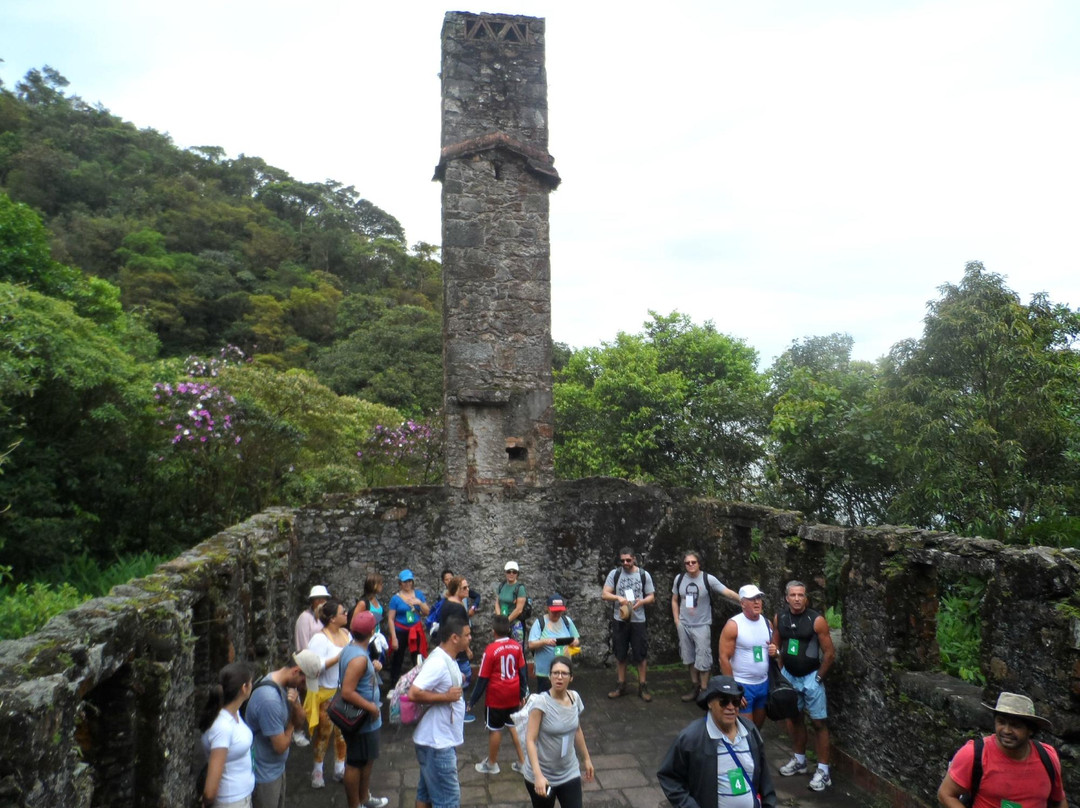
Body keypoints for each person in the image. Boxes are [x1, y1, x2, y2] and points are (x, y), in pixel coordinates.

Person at [657, 675, 778, 808]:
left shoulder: (749, 730)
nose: (731, 707)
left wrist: (768, 803)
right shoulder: (691, 737)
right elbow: (669, 776)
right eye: (724, 702)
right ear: (710, 703)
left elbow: (764, 777)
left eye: (735, 702)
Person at [937, 692, 1067, 808]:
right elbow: (945, 794)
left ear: (1030, 730)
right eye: (1001, 722)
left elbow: (1059, 801)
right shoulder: (974, 754)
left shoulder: (1047, 757)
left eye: (1015, 725)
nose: (1007, 730)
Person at [769, 580, 835, 792]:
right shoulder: (780, 618)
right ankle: (799, 760)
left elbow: (829, 653)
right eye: (793, 595)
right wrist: (781, 672)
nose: (797, 599)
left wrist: (818, 678)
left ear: (806, 598)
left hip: (811, 677)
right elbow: (776, 645)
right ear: (786, 598)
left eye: (801, 595)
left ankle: (823, 771)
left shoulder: (816, 620)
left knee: (818, 723)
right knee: (794, 718)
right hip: (790, 676)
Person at [408, 615, 472, 808]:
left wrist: (458, 678)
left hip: (434, 741)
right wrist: (446, 697)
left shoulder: (446, 658)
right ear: (454, 638)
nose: (470, 638)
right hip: (437, 745)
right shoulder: (438, 662)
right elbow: (414, 692)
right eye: (467, 635)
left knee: (425, 794)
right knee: (448, 801)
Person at [521, 656, 595, 808]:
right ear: (549, 676)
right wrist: (538, 775)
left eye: (564, 673)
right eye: (555, 673)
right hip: (543, 774)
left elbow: (577, 729)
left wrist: (586, 758)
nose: (559, 677)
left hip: (569, 771)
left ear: (571, 677)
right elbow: (530, 740)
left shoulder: (574, 698)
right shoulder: (540, 703)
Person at [339, 609, 390, 808]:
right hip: (361, 719)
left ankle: (364, 798)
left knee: (366, 759)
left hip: (365, 719)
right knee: (355, 762)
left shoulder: (353, 649)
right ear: (371, 632)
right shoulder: (358, 658)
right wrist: (371, 707)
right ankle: (355, 804)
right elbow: (347, 691)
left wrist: (372, 666)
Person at [671, 551, 739, 702]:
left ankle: (704, 689)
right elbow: (675, 599)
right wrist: (677, 620)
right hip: (684, 624)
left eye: (693, 562)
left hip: (701, 625)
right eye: (687, 563)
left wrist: (744, 600)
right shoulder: (679, 579)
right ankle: (695, 686)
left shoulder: (707, 579)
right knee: (689, 657)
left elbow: (726, 592)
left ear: (699, 563)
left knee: (703, 658)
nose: (690, 565)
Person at [246, 655, 308, 808]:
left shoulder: (287, 686)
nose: (304, 686)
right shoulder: (269, 699)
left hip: (276, 769)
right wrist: (291, 725)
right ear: (296, 671)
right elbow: (280, 746)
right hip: (264, 775)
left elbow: (301, 723)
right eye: (303, 681)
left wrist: (296, 705)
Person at [471, 615, 528, 775]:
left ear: (493, 631)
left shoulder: (490, 650)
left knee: (495, 729)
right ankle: (523, 763)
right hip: (513, 694)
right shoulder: (517, 647)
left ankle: (492, 764)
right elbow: (523, 671)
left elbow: (482, 678)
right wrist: (523, 692)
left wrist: (473, 700)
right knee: (513, 726)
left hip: (496, 697)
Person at [306, 598, 350, 788]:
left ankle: (340, 768)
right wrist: (337, 658)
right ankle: (317, 771)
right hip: (327, 692)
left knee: (343, 733)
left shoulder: (346, 634)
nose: (346, 614)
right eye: (343, 612)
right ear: (332, 618)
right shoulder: (319, 639)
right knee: (324, 733)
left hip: (344, 690)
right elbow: (313, 665)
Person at [601, 547, 656, 701]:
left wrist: (642, 601)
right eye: (622, 560)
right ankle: (621, 684)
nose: (625, 563)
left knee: (641, 654)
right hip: (620, 620)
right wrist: (618, 598)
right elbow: (604, 594)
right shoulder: (615, 574)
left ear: (634, 559)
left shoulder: (643, 575)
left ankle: (642, 686)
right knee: (620, 654)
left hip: (638, 620)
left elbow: (651, 597)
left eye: (628, 560)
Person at [199, 660, 256, 808]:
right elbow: (210, 792)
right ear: (244, 688)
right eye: (251, 682)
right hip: (231, 802)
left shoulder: (234, 713)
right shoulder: (222, 727)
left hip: (241, 797)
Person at [719, 585, 771, 728]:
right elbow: (723, 658)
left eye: (758, 598)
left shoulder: (767, 623)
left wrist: (776, 653)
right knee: (745, 729)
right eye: (752, 599)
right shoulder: (734, 625)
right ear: (742, 603)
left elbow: (773, 651)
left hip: (763, 683)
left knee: (757, 729)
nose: (757, 602)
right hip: (743, 684)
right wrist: (733, 689)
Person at [292, 584, 330, 747]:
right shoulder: (304, 618)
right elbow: (303, 645)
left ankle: (314, 729)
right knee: (304, 698)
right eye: (318, 599)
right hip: (309, 666)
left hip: (320, 666)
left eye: (323, 599)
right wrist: (308, 667)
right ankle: (298, 731)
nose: (321, 602)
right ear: (312, 601)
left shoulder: (322, 618)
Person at [527, 594, 581, 694]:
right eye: (554, 611)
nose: (557, 614)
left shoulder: (566, 621)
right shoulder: (540, 623)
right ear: (548, 609)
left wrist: (574, 642)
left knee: (561, 695)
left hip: (563, 670)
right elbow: (531, 644)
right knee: (544, 696)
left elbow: (576, 639)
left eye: (559, 611)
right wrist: (545, 641)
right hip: (545, 671)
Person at [388, 569, 430, 686]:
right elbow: (391, 619)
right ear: (400, 583)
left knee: (417, 658)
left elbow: (427, 612)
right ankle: (393, 685)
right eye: (405, 582)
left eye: (409, 581)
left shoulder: (418, 595)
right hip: (400, 630)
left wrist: (419, 603)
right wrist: (394, 638)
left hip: (415, 630)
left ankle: (420, 685)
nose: (408, 584)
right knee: (397, 658)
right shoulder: (395, 599)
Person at [495, 560, 529, 643]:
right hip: (502, 623)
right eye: (509, 572)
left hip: (515, 624)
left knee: (516, 647)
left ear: (517, 574)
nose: (511, 574)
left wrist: (506, 622)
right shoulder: (501, 586)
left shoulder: (520, 588)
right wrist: (500, 619)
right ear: (505, 573)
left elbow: (519, 609)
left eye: (514, 572)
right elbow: (497, 603)